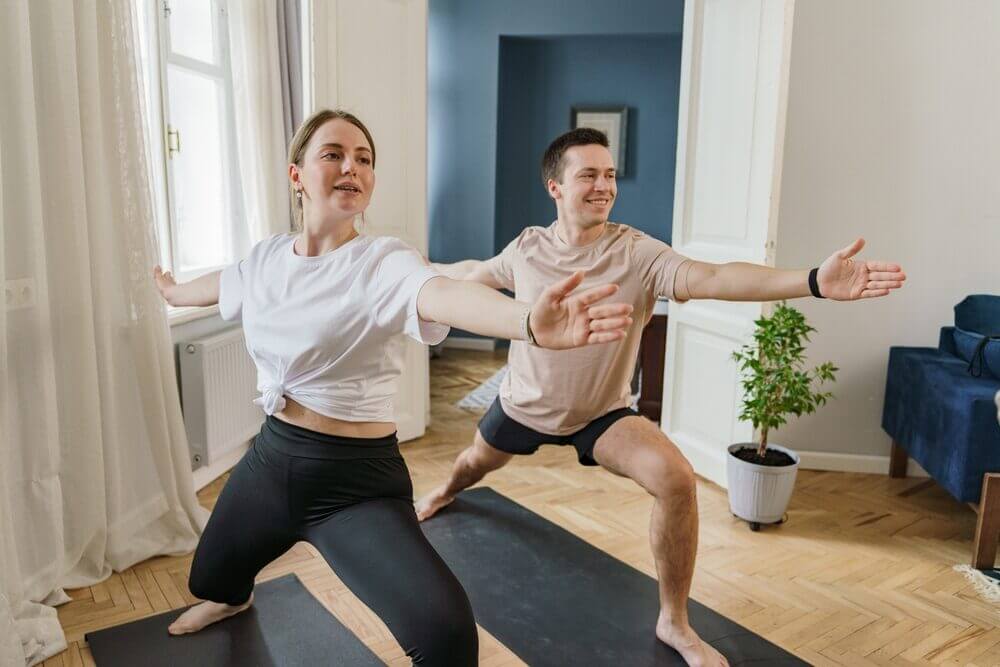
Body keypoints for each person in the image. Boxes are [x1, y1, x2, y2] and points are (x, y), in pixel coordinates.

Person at [152, 110, 634, 666]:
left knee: (447, 638)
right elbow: (222, 283)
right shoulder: (264, 258)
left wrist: (527, 321)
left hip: (354, 483)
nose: (351, 167)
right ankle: (233, 599)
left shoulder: (383, 261)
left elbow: (442, 294)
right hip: (271, 460)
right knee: (207, 579)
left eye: (364, 159)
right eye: (333, 154)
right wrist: (174, 292)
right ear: (297, 175)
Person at [415, 127, 906, 667]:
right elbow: (475, 280)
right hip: (524, 404)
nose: (604, 185)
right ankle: (442, 490)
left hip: (601, 414)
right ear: (555, 187)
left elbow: (715, 276)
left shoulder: (637, 253)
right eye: (589, 175)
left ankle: (674, 620)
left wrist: (812, 280)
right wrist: (422, 278)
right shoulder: (528, 248)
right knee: (471, 465)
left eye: (609, 175)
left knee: (675, 479)